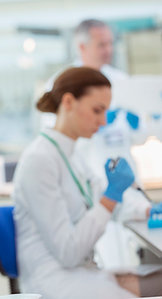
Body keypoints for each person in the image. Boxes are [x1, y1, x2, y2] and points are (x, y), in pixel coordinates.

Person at [14, 67, 162, 299]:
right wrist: (111, 196)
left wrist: (147, 209)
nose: (104, 122)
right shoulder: (40, 160)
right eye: (97, 110)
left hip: (82, 274)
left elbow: (103, 203)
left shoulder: (72, 154)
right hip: (56, 283)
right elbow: (68, 251)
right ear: (69, 101)